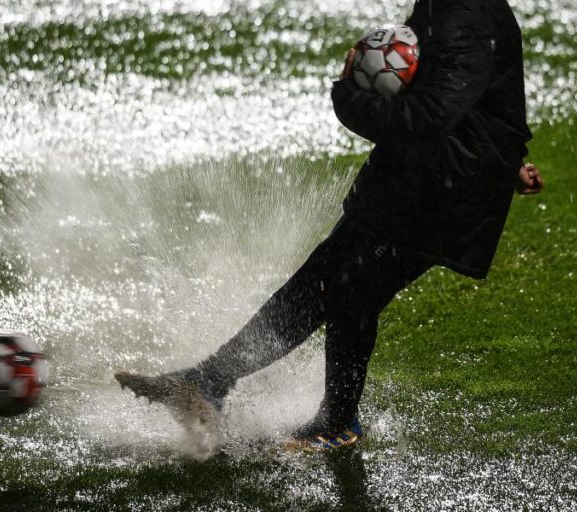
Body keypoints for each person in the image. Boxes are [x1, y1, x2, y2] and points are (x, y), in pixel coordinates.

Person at [116, 0, 544, 451]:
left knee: (350, 288)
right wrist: (506, 162)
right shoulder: (456, 7)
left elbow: (428, 117)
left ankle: (337, 422)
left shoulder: (462, 13)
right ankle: (209, 381)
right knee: (321, 279)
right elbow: (481, 92)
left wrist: (349, 97)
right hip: (427, 176)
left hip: (442, 194)